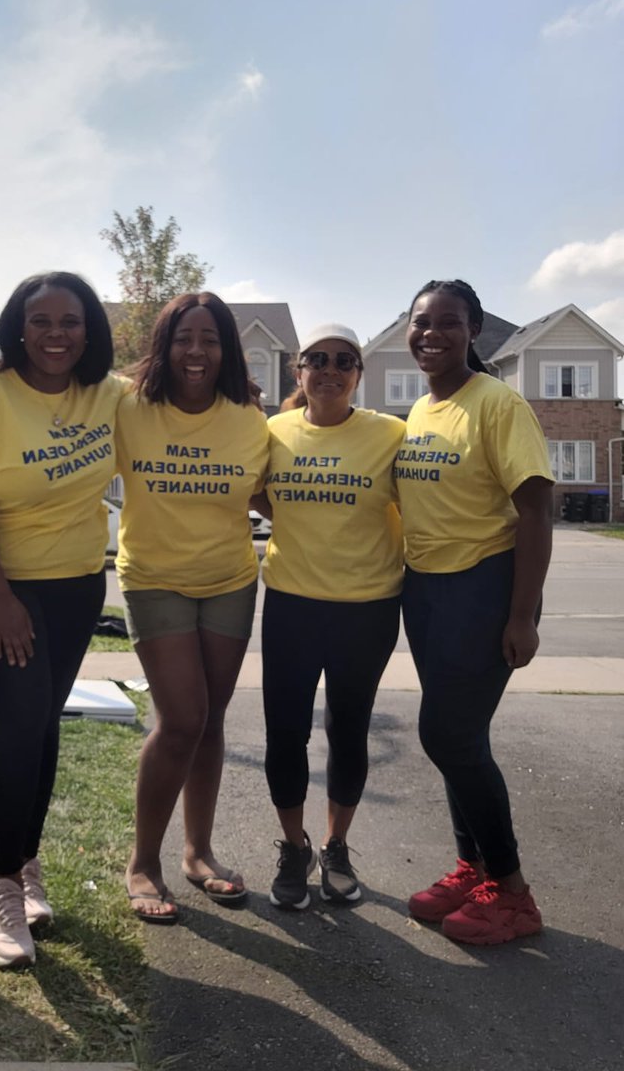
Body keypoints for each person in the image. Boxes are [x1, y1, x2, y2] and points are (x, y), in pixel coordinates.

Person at [0, 271, 123, 968]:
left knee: (43, 721)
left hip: (75, 586)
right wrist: (0, 599)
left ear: (89, 330)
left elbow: (172, 404)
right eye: (40, 321)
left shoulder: (109, 395)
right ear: (18, 326)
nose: (55, 334)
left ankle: (28, 863)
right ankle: (4, 889)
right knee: (19, 718)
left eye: (69, 321)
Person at [397, 279, 553, 946]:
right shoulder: (423, 411)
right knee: (461, 739)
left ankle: (514, 893)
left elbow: (538, 507)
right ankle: (474, 867)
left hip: (482, 588)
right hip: (426, 590)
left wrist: (522, 616)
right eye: (421, 322)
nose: (432, 333)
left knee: (450, 737)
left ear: (474, 331)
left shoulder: (497, 403)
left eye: (449, 323)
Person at [116, 291, 269, 923]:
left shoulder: (249, 416)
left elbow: (272, 494)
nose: (197, 351)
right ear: (165, 344)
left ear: (227, 348)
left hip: (230, 579)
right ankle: (142, 863)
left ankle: (198, 853)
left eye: (210, 339)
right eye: (184, 338)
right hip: (154, 579)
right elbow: (57, 398)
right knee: (180, 720)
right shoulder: (127, 406)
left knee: (210, 718)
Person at [253, 324, 406, 910]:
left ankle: (337, 846)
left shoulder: (391, 434)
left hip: (367, 609)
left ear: (358, 374)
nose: (330, 369)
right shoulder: (273, 432)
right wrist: (286, 512)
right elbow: (253, 489)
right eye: (316, 359)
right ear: (298, 372)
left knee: (349, 730)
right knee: (285, 732)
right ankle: (295, 848)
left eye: (344, 360)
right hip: (292, 604)